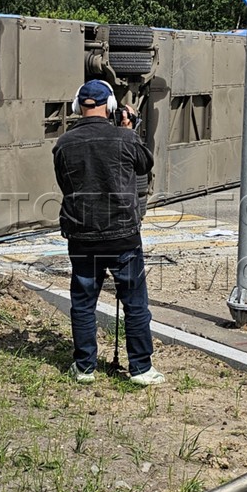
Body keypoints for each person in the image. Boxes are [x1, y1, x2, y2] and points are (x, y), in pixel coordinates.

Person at [52, 79, 163, 387]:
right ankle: (141, 368)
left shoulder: (63, 144)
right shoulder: (125, 139)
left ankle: (84, 367)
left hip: (82, 235)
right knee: (135, 303)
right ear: (111, 106)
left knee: (84, 302)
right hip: (123, 235)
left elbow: (65, 183)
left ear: (78, 107)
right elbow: (145, 165)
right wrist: (129, 129)